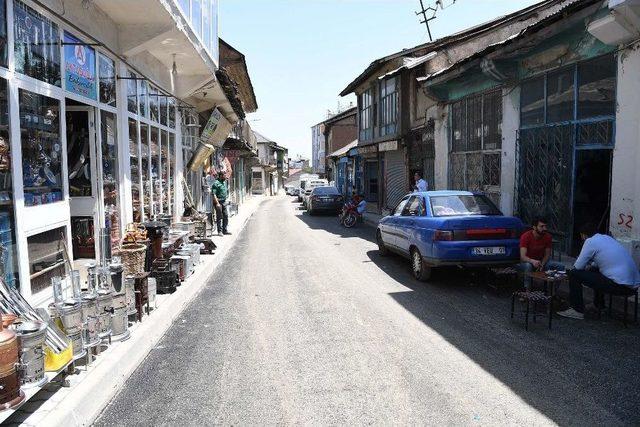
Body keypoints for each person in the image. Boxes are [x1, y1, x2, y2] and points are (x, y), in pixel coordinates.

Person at [558, 223, 640, 320]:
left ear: (583, 235)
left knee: (574, 274)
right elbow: (603, 262)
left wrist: (580, 267)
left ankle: (577, 310)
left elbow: (578, 267)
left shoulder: (590, 241)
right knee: (594, 270)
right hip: (633, 286)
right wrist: (590, 267)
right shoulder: (607, 238)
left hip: (619, 286)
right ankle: (598, 305)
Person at [517, 216, 565, 288]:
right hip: (527, 262)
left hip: (541, 262)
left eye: (545, 226)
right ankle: (527, 290)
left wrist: (542, 264)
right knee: (528, 266)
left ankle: (552, 291)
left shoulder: (548, 237)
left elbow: (547, 254)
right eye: (542, 226)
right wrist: (532, 261)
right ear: (534, 227)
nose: (545, 229)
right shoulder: (525, 236)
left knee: (560, 266)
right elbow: (523, 257)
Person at [212, 171, 231, 236]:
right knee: (219, 217)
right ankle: (219, 231)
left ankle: (224, 230)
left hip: (224, 201)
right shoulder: (216, 183)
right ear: (221, 176)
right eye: (224, 175)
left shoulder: (223, 182)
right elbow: (214, 194)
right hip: (218, 202)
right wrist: (217, 203)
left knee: (225, 215)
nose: (225, 177)